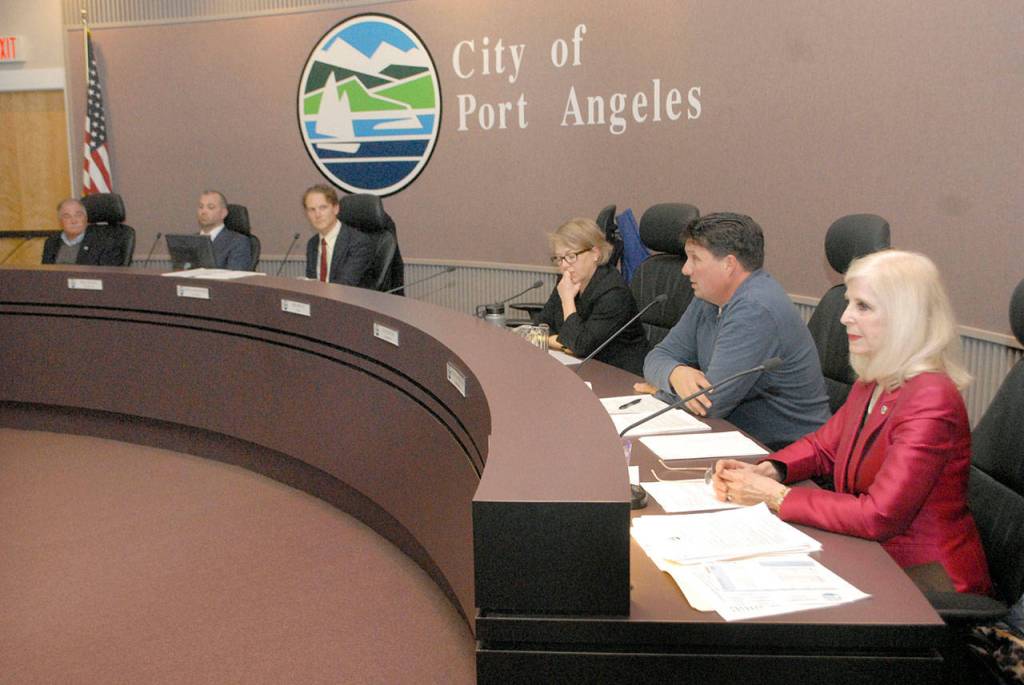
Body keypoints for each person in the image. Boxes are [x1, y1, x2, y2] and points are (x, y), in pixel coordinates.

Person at [712, 250, 991, 594]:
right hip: (870, 556)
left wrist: (778, 496)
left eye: (863, 306)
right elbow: (823, 447)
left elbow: (879, 516)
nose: (844, 317)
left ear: (905, 317)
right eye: (849, 303)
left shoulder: (931, 398)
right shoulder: (875, 379)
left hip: (924, 582)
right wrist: (771, 469)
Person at [639, 212, 830, 449]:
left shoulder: (755, 308)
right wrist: (674, 373)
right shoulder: (708, 297)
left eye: (695, 259)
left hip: (784, 453)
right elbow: (656, 356)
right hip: (735, 436)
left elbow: (710, 404)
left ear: (729, 264)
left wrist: (660, 389)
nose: (686, 270)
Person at [537, 218, 649, 374]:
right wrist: (563, 343)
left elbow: (581, 346)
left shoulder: (614, 292)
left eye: (571, 256)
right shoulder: (567, 280)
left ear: (595, 254)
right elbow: (540, 326)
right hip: (583, 368)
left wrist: (567, 300)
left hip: (620, 376)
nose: (563, 266)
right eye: (559, 258)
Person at [302, 184, 378, 286]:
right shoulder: (312, 243)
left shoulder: (359, 242)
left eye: (323, 208)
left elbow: (345, 285)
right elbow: (311, 283)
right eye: (312, 209)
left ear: (336, 209)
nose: (317, 215)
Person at [42, 198, 123, 266]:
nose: (73, 221)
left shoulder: (104, 242)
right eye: (67, 216)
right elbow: (45, 275)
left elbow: (109, 278)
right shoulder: (51, 242)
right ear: (60, 221)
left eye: (78, 215)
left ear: (86, 218)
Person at [197, 190, 251, 270]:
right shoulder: (190, 240)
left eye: (210, 207)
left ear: (223, 213)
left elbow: (234, 277)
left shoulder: (238, 242)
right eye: (201, 207)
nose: (203, 212)